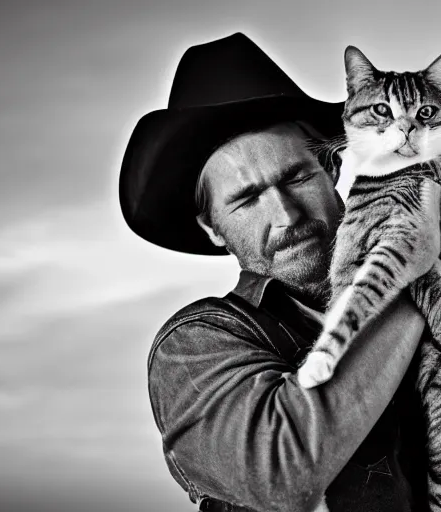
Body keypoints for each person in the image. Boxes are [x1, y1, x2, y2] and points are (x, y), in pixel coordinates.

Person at [119, 33, 440, 512]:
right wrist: (409, 272)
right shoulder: (197, 344)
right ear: (212, 227)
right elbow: (281, 475)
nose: (287, 214)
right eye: (247, 199)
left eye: (297, 178)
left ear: (332, 170)